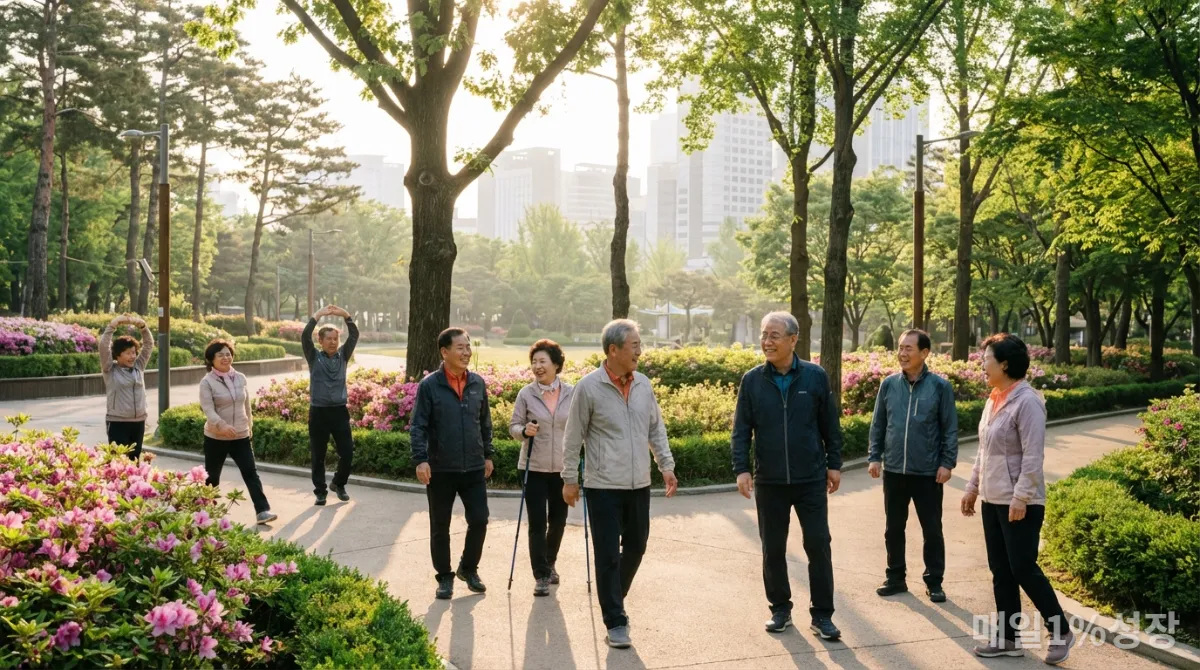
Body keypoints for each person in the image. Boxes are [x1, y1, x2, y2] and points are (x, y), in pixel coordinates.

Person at [562, 319, 678, 650]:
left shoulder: (643, 384)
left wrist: (665, 466)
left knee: (638, 546)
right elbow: (573, 438)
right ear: (613, 350)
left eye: (640, 345)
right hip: (603, 487)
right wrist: (570, 479)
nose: (639, 351)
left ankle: (612, 593)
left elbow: (655, 429)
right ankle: (615, 619)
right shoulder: (589, 387)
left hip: (639, 484)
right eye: (634, 345)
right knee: (608, 555)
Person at [962, 333, 1075, 665]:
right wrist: (972, 487)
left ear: (1005, 363)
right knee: (1001, 570)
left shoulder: (1028, 401)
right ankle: (1008, 638)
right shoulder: (994, 399)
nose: (982, 364)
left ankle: (1062, 631)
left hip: (1020, 501)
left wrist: (1021, 497)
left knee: (1023, 567)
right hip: (992, 497)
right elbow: (984, 451)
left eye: (987, 359)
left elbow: (1032, 456)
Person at [731, 311, 843, 640]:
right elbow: (741, 430)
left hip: (810, 479)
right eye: (764, 335)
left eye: (774, 335)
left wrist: (833, 463)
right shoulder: (752, 380)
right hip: (770, 481)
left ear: (793, 340)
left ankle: (822, 615)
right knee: (773, 548)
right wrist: (741, 469)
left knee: (819, 544)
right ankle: (780, 608)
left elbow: (830, 425)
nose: (767, 341)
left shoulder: (815, 377)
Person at [868, 329, 958, 602]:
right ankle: (895, 577)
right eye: (900, 348)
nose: (903, 353)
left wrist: (947, 462)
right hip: (894, 470)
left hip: (928, 472)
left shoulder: (940, 387)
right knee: (893, 527)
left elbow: (949, 428)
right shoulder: (889, 384)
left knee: (932, 529)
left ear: (925, 353)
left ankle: (934, 581)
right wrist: (875, 456)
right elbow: (879, 423)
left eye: (909, 348)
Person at [411, 328, 495, 600]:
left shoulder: (477, 383)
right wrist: (421, 460)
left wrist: (488, 455)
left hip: (472, 467)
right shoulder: (430, 386)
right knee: (440, 526)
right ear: (444, 352)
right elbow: (418, 426)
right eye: (460, 347)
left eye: (468, 347)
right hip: (440, 469)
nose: (466, 352)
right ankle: (444, 577)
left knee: (480, 520)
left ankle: (468, 569)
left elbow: (485, 423)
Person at [509, 339, 574, 597]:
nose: (537, 366)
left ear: (556, 364)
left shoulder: (572, 393)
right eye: (534, 362)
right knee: (537, 523)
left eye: (542, 361)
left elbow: (580, 424)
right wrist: (524, 431)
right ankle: (541, 575)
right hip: (532, 468)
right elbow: (513, 426)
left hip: (562, 469)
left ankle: (550, 562)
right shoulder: (526, 394)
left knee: (558, 521)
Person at [199, 339, 277, 526]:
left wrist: (249, 425)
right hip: (216, 436)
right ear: (211, 359)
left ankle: (262, 510)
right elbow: (208, 409)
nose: (226, 358)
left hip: (240, 435)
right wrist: (222, 426)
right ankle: (207, 514)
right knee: (212, 476)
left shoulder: (240, 377)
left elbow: (246, 404)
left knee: (250, 472)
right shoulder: (207, 382)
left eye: (228, 354)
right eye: (221, 355)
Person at [302, 305, 359, 506]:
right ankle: (320, 491)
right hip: (318, 412)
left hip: (339, 412)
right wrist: (317, 316)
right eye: (329, 339)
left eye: (336, 339)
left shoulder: (343, 356)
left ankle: (338, 483)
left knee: (347, 452)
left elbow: (354, 335)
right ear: (321, 341)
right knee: (318, 454)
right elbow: (305, 336)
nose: (333, 342)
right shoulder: (313, 356)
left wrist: (345, 315)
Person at [99, 314, 154, 460]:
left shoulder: (139, 367)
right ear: (117, 355)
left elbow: (148, 345)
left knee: (134, 462)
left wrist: (142, 326)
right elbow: (103, 347)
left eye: (134, 352)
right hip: (118, 423)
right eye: (128, 353)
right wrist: (112, 325)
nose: (133, 356)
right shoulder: (110, 370)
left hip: (139, 422)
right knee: (119, 463)